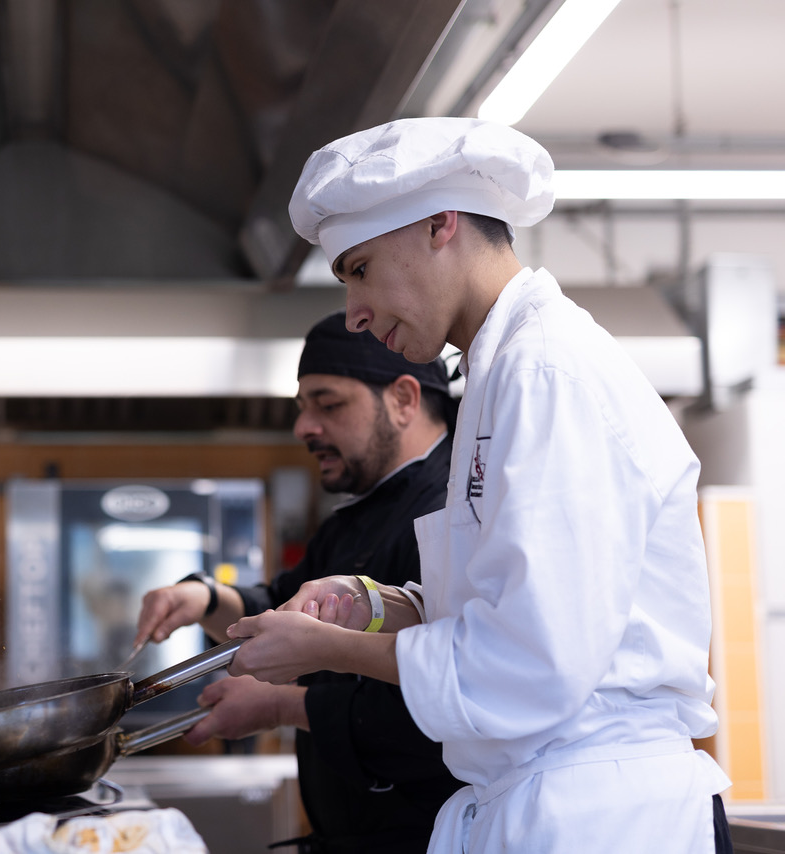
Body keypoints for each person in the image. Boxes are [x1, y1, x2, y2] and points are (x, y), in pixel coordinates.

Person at [222, 116, 733, 853]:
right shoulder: (496, 376)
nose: (355, 314)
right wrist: (375, 606)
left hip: (599, 818)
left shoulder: (545, 369)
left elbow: (531, 664)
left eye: (359, 269)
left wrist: (328, 651)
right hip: (546, 808)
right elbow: (504, 605)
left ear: (441, 225)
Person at [134, 311, 464, 854]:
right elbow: (278, 606)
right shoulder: (350, 520)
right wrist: (202, 598)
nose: (303, 428)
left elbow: (440, 706)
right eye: (302, 408)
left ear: (404, 400)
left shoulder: (447, 512)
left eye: (328, 404)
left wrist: (283, 706)